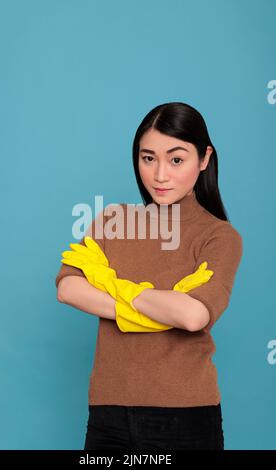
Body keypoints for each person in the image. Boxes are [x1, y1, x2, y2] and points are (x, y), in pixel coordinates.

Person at [55, 102, 243, 450]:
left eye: (176, 159)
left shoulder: (218, 237)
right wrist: (161, 302)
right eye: (147, 158)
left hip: (185, 418)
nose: (159, 175)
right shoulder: (114, 220)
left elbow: (191, 315)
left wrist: (111, 284)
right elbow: (68, 287)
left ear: (203, 159)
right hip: (107, 414)